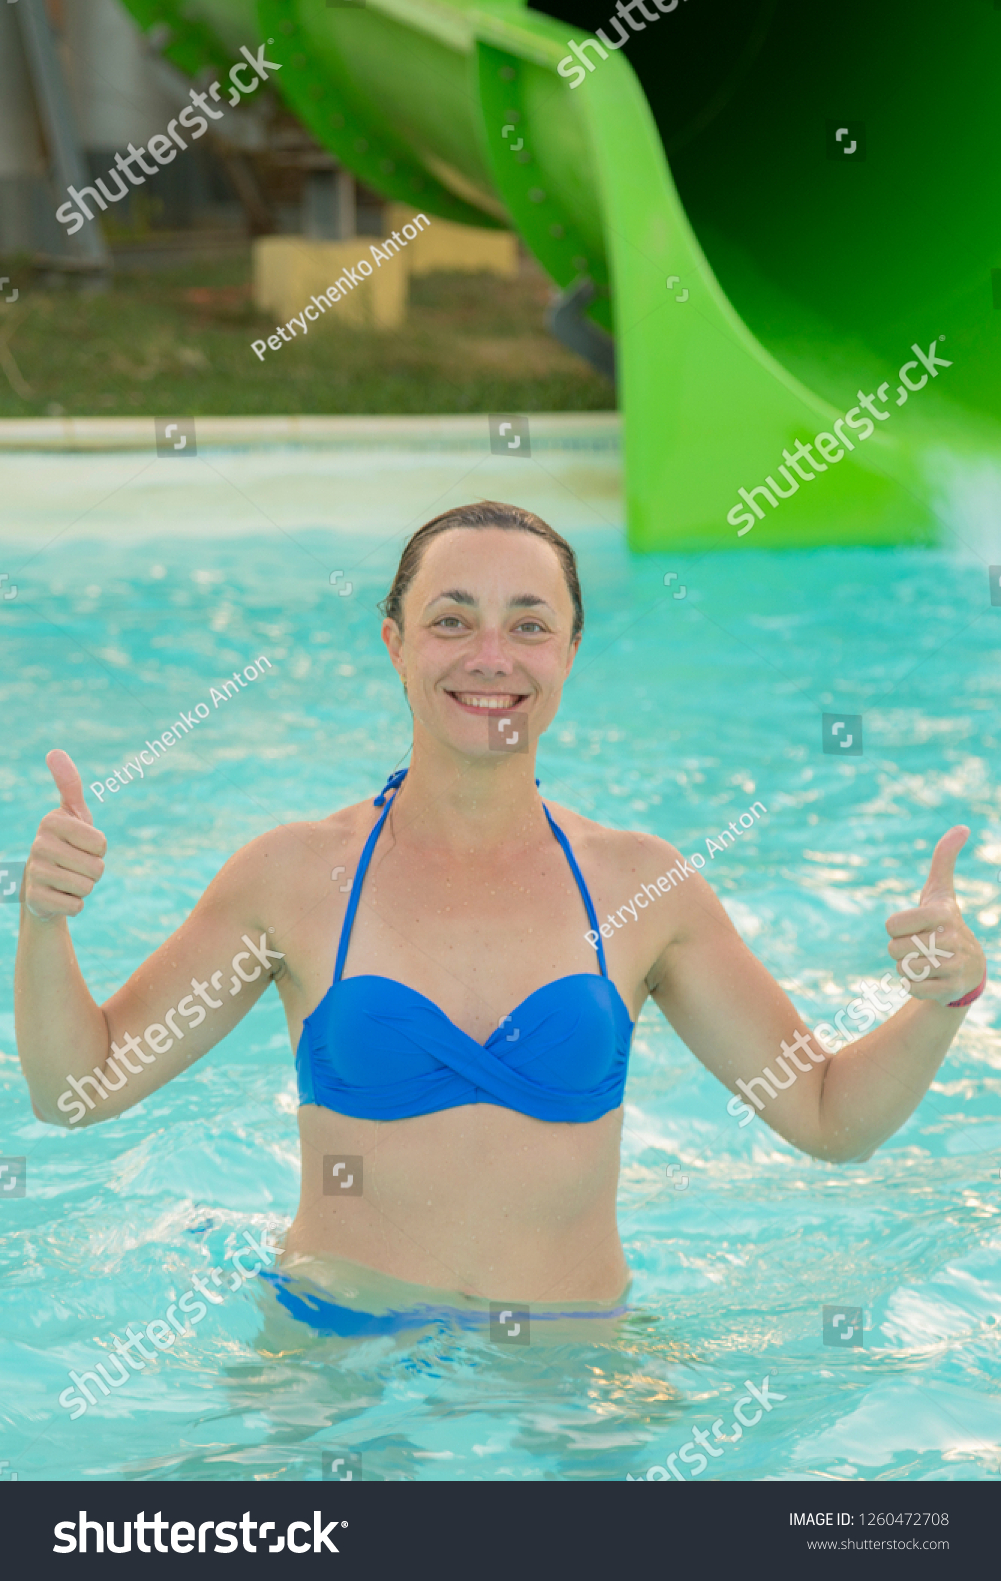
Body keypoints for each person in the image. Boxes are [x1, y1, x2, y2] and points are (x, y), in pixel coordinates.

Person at [14, 501, 987, 1334]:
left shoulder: (641, 888)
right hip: (338, 1360)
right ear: (393, 642)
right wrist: (46, 920)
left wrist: (940, 1001)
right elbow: (78, 1090)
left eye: (528, 625)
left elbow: (824, 1118)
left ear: (569, 649)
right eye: (451, 620)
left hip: (575, 1368)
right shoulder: (295, 876)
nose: (491, 657)